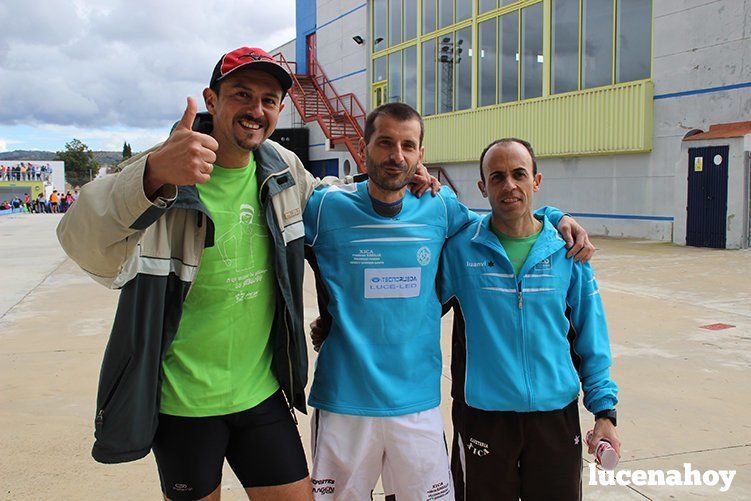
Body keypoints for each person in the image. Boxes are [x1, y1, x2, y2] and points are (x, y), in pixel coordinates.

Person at [57, 46, 436, 501]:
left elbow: (333, 204)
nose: (256, 110)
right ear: (211, 100)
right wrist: (153, 173)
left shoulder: (282, 168)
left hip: (260, 394)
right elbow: (79, 239)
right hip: (184, 403)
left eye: (269, 99)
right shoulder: (166, 169)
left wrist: (400, 178)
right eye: (241, 94)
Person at [303, 104, 593, 500]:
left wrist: (555, 216)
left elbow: (507, 219)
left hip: (417, 401)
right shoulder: (324, 208)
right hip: (343, 400)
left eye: (408, 145)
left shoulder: (440, 207)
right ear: (364, 146)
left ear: (422, 155)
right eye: (385, 143)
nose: (397, 156)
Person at [440, 138, 620, 500]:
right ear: (482, 188)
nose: (509, 185)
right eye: (497, 177)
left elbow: (591, 337)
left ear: (536, 181)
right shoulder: (460, 250)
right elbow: (413, 312)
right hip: (484, 417)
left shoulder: (567, 250)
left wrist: (605, 412)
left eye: (519, 174)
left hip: (555, 417)